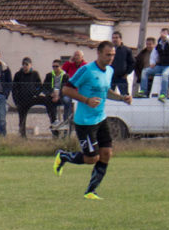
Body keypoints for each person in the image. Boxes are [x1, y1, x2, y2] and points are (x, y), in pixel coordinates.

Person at [54, 40, 132, 200]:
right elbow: (66, 89)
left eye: (113, 55)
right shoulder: (86, 70)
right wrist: (86, 100)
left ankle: (90, 191)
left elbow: (106, 91)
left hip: (100, 119)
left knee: (106, 153)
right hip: (85, 122)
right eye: (108, 54)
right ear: (99, 53)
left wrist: (122, 98)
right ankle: (63, 156)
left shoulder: (109, 70)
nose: (111, 58)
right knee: (91, 158)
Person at [139, 28, 169, 102]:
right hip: (161, 65)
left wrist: (167, 37)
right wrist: (152, 62)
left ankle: (163, 94)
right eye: (162, 33)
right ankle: (143, 91)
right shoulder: (159, 44)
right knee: (145, 71)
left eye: (165, 33)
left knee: (165, 74)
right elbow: (154, 54)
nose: (163, 35)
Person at [11, 57, 44, 138]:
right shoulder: (18, 75)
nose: (25, 66)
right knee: (22, 117)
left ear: (30, 65)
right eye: (23, 64)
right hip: (22, 99)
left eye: (27, 64)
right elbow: (14, 89)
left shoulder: (35, 74)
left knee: (46, 101)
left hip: (32, 98)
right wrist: (16, 101)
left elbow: (39, 86)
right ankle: (22, 134)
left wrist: (36, 93)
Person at [42, 59, 70, 129]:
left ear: (61, 66)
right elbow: (44, 88)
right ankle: (54, 120)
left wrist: (58, 96)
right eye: (53, 66)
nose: (54, 68)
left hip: (62, 95)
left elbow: (67, 88)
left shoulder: (65, 76)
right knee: (47, 100)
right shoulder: (49, 75)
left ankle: (66, 121)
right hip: (52, 95)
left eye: (56, 66)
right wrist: (50, 93)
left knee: (67, 100)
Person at [109, 31, 135, 96]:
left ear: (120, 39)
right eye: (113, 38)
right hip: (111, 77)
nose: (114, 39)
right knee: (109, 96)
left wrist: (127, 73)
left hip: (122, 77)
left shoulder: (126, 50)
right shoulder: (109, 50)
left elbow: (132, 63)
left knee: (125, 96)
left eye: (116, 38)